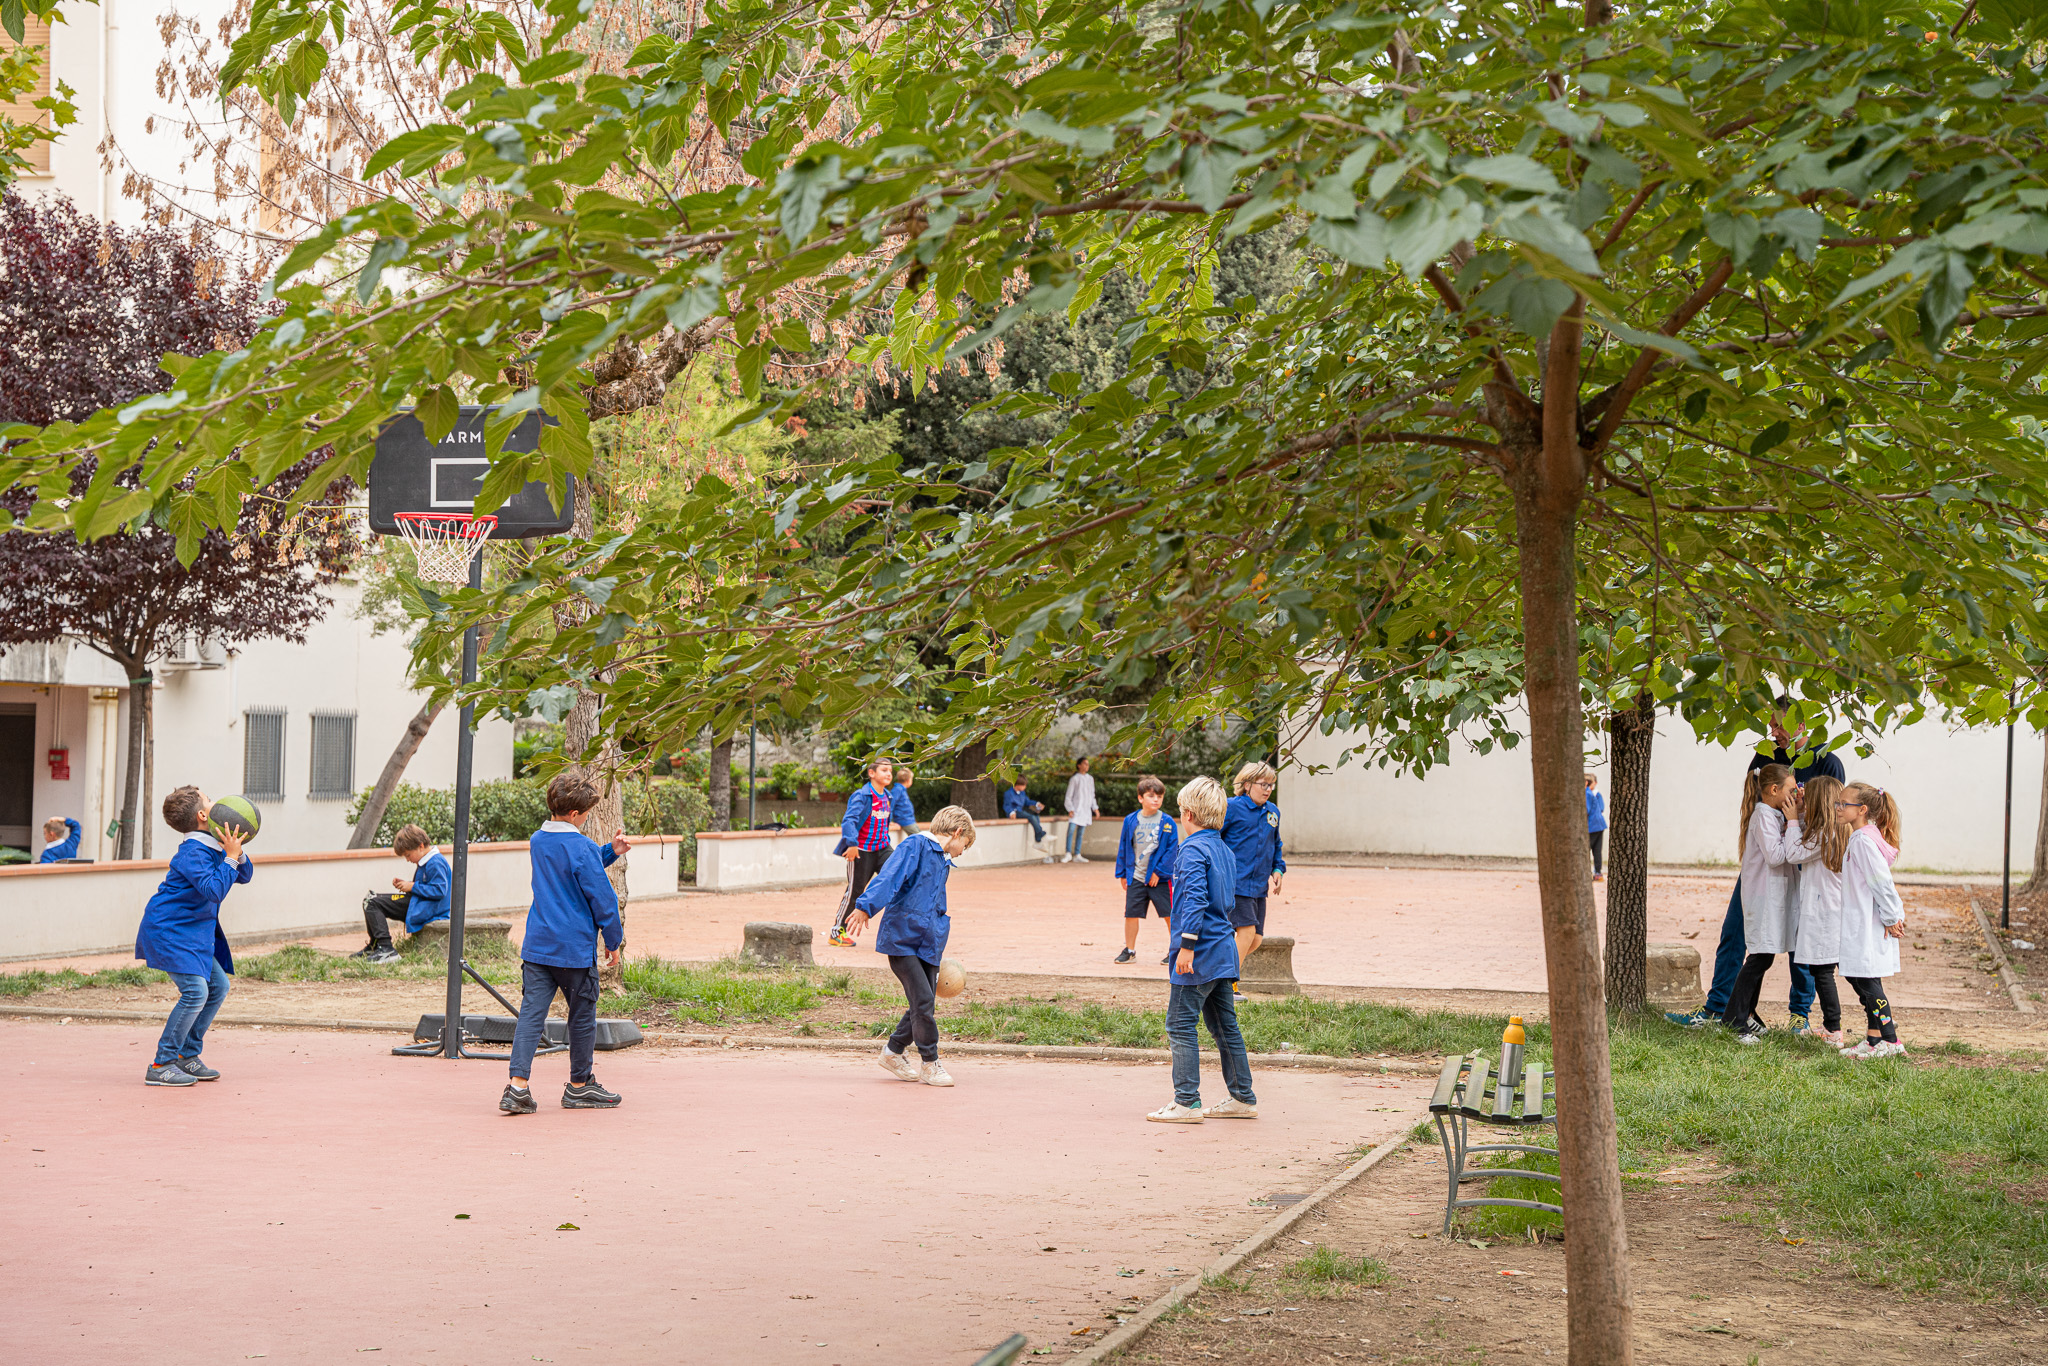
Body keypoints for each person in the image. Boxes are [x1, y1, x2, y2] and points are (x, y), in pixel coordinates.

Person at [1668, 702, 1841, 1031]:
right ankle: (1719, 1007)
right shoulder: (1766, 756)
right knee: (1736, 932)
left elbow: (1829, 814)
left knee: (1799, 939)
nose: (1773, 732)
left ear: (1800, 724)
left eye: (1779, 725)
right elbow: (1756, 804)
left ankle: (1799, 1014)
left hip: (1804, 862)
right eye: (1771, 725)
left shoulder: (1827, 761)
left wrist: (1798, 825)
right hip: (1765, 863)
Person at [500, 772, 631, 1115]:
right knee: (582, 1016)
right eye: (586, 813)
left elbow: (569, 866)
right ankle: (579, 1085)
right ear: (574, 814)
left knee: (531, 1015)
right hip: (573, 950)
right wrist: (613, 941)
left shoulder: (538, 840)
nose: (587, 817)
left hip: (538, 946)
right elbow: (603, 897)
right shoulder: (582, 847)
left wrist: (609, 852)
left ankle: (517, 1087)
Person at [1147, 775, 1257, 1124]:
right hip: (1223, 949)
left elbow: (1194, 899)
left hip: (1200, 953)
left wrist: (1187, 946)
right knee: (1225, 1027)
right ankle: (1242, 1097)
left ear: (1189, 814)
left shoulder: (1192, 849)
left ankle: (1186, 1102)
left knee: (1180, 1025)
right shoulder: (1224, 849)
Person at [845, 805, 977, 1087]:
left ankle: (893, 1052)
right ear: (957, 832)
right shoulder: (915, 845)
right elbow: (889, 877)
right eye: (965, 844)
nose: (963, 851)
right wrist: (865, 907)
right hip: (902, 939)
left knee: (923, 1002)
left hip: (928, 942)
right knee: (924, 1001)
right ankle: (930, 1063)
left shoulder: (942, 860)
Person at [135, 786, 251, 1087]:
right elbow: (214, 889)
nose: (215, 802)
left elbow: (244, 875)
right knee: (196, 992)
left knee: (218, 986)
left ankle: (187, 1055)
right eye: (209, 800)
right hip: (169, 931)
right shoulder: (192, 852)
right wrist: (230, 857)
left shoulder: (212, 846)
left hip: (192, 934)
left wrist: (236, 852)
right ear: (202, 815)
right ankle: (162, 1063)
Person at [1720, 764, 1815, 1043]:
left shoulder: (1774, 815)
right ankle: (1734, 1019)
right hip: (1763, 898)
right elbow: (1775, 856)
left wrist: (1798, 817)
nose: (1795, 794)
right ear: (1774, 790)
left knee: (1765, 955)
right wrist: (1792, 821)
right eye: (1791, 790)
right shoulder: (1762, 815)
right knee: (1760, 957)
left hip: (1774, 897)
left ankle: (1746, 1014)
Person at [1836, 781, 1908, 1059]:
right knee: (1861, 978)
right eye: (1837, 803)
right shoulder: (1861, 838)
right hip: (1860, 922)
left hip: (1868, 924)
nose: (1838, 808)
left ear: (1862, 810)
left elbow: (1882, 882)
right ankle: (1874, 1038)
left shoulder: (1863, 842)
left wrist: (1892, 917)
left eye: (1844, 804)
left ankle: (1891, 1042)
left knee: (1867, 982)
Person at [1789, 775, 1849, 1046]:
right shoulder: (1835, 831)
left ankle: (1833, 1029)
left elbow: (1794, 853)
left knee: (1822, 971)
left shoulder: (1823, 835)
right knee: (1827, 970)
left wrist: (1793, 819)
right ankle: (1835, 1026)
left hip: (1824, 913)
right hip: (1832, 910)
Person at [1220, 761, 1285, 977]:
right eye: (1263, 784)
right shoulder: (1231, 807)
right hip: (1236, 883)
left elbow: (1276, 844)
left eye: (1271, 785)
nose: (1268, 790)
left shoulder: (1273, 812)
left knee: (1256, 939)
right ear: (1247, 784)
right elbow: (1212, 837)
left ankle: (1217, 969)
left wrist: (1278, 869)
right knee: (1246, 932)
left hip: (1258, 887)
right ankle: (1228, 983)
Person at [353, 824, 450, 963]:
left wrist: (412, 886)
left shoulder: (435, 862)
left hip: (426, 909)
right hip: (418, 903)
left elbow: (440, 890)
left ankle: (386, 948)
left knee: (372, 902)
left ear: (421, 846)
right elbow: (427, 886)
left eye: (408, 855)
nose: (407, 859)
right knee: (371, 899)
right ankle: (375, 946)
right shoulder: (427, 860)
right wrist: (407, 884)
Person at [829, 758, 898, 946]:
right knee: (855, 892)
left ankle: (899, 931)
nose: (888, 774)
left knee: (899, 877)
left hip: (882, 848)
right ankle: (837, 932)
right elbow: (849, 820)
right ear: (871, 773)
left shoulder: (888, 796)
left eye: (890, 771)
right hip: (861, 851)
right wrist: (851, 844)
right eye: (884, 770)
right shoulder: (862, 796)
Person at [1114, 776, 1179, 964]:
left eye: (1159, 796)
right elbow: (1124, 847)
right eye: (1151, 796)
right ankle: (1130, 950)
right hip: (1136, 877)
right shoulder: (1130, 820)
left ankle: (1174, 950)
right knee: (1131, 914)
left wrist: (1158, 872)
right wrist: (1122, 874)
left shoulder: (1167, 822)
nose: (1156, 800)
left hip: (1160, 880)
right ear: (1140, 798)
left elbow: (1172, 850)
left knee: (1169, 915)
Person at [1001, 777, 1053, 859]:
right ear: (1017, 785)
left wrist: (1036, 804)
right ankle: (1041, 835)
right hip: (1015, 812)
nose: (1025, 787)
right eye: (1023, 785)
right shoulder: (1008, 793)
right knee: (1030, 816)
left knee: (1035, 814)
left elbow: (1027, 802)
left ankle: (1038, 841)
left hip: (1021, 810)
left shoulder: (1022, 793)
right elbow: (1006, 805)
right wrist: (1011, 812)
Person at [1061, 757, 1099, 862]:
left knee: (1080, 833)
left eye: (1088, 764)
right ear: (1079, 765)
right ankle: (1068, 853)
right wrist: (1070, 809)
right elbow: (1068, 796)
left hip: (1085, 810)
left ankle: (1077, 854)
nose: (1087, 766)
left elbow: (1092, 795)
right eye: (1085, 764)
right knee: (1071, 830)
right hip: (1076, 809)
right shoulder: (1075, 779)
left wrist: (1095, 808)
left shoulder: (1090, 779)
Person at [1584, 774, 1606, 882]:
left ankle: (1586, 872)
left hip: (1592, 826)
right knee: (1597, 850)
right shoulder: (1590, 793)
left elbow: (1586, 810)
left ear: (1586, 783)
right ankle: (1598, 873)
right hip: (1599, 825)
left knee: (1585, 849)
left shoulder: (1587, 793)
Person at [890, 764, 920, 841]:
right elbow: (890, 805)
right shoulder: (897, 790)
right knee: (919, 838)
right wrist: (889, 821)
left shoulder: (902, 789)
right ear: (908, 781)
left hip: (909, 820)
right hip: (904, 820)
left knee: (921, 836)